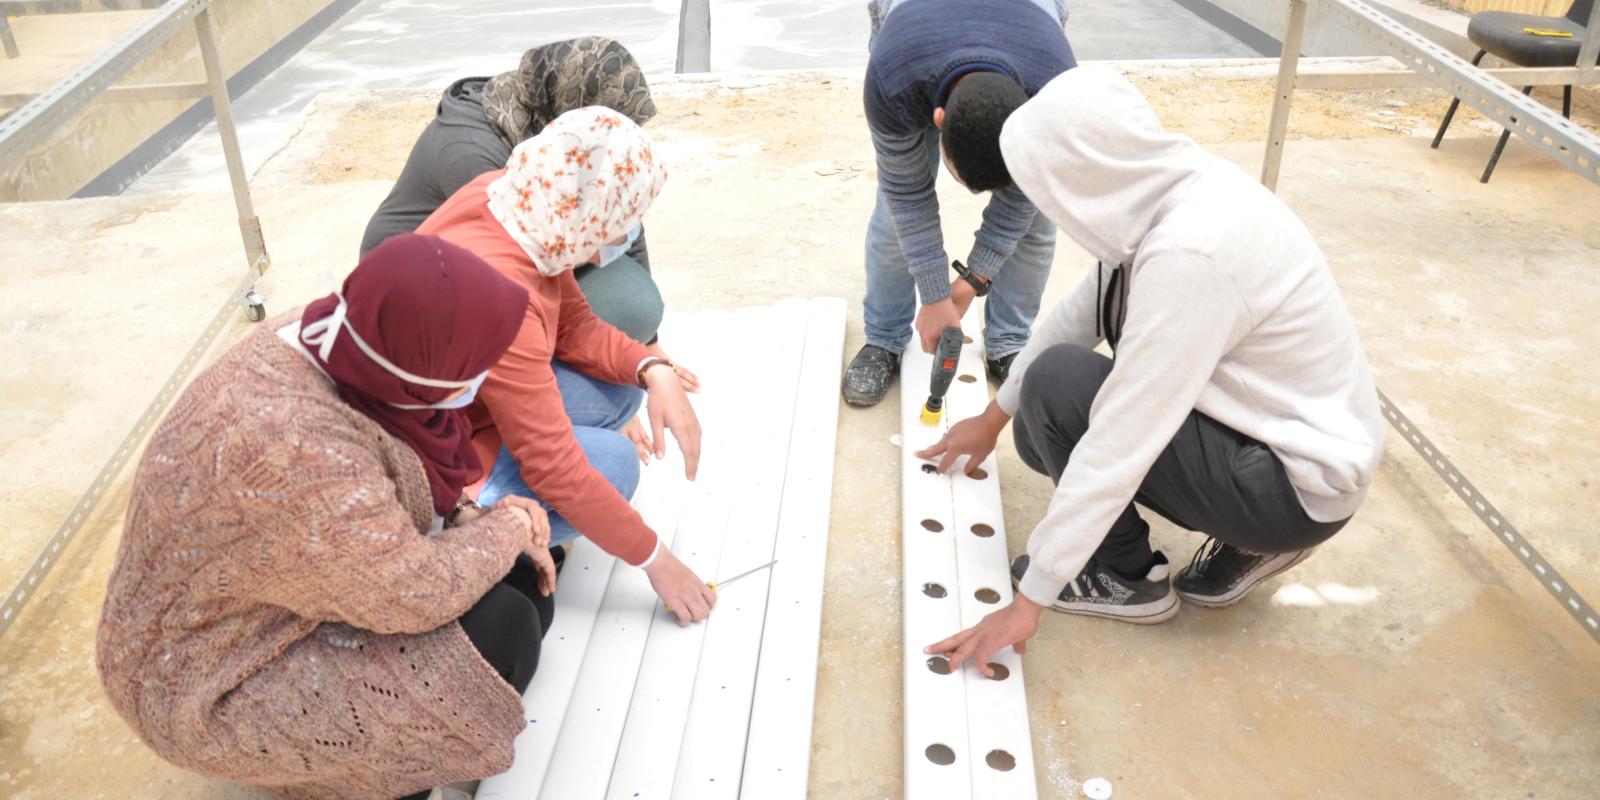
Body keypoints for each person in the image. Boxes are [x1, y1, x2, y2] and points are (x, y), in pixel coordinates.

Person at [922, 66, 1387, 674]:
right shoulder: (1164, 195)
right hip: (1288, 443)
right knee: (1041, 426)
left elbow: (1124, 435)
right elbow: (1079, 314)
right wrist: (992, 417)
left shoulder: (1189, 255)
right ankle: (1251, 539)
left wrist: (1029, 598)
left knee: (1059, 391)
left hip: (1297, 484)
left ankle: (1128, 578)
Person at [97, 234, 561, 799]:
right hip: (205, 683)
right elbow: (410, 594)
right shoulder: (303, 451)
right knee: (506, 629)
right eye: (476, 364)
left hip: (270, 606)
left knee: (527, 587)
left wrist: (471, 517)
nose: (482, 378)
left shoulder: (346, 339)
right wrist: (508, 526)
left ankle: (376, 763)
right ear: (424, 369)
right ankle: (362, 779)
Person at [418, 106, 719, 625]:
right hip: (437, 457)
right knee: (614, 466)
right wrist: (655, 560)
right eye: (620, 221)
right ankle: (477, 520)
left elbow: (574, 327)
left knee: (624, 389)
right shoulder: (503, 295)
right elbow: (554, 468)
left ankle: (501, 479)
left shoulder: (522, 203)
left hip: (467, 407)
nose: (622, 235)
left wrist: (653, 368)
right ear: (588, 211)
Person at [841, 0, 1076, 407]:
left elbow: (1024, 198)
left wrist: (971, 282)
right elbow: (909, 196)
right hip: (912, 28)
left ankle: (1008, 342)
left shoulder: (1055, 91)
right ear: (937, 121)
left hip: (1029, 24)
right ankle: (884, 338)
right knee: (896, 210)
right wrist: (936, 297)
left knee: (1037, 215)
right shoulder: (893, 80)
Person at [361, 36, 665, 345]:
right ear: (582, 113)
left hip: (502, 261)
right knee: (620, 313)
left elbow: (622, 214)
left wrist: (654, 351)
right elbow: (519, 263)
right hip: (422, 289)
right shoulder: (473, 155)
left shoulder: (557, 121)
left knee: (634, 303)